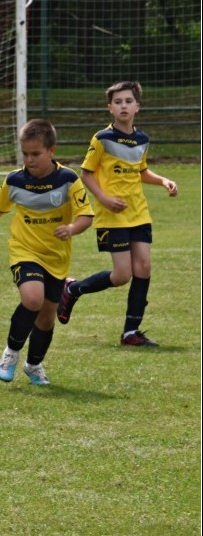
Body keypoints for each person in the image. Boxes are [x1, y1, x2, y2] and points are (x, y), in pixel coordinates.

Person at [0, 119, 94, 386]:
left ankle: (34, 365)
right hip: (25, 250)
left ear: (51, 151)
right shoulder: (15, 180)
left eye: (35, 154)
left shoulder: (68, 179)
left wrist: (72, 228)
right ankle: (11, 352)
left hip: (56, 257)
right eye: (25, 154)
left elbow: (86, 215)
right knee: (32, 299)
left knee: (46, 316)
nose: (29, 159)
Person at [56, 81, 179, 347]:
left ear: (137, 106)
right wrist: (104, 198)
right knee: (122, 275)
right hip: (112, 215)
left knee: (144, 267)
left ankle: (130, 333)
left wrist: (163, 181)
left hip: (138, 212)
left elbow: (141, 171)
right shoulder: (102, 139)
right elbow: (86, 174)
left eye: (128, 101)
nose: (123, 106)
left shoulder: (143, 139)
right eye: (118, 102)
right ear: (109, 108)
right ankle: (72, 289)